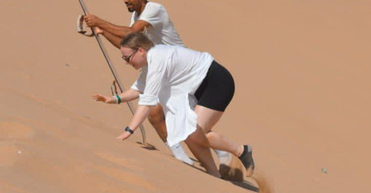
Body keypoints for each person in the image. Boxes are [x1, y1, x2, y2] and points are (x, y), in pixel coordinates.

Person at [92, 32, 254, 179]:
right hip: (198, 87)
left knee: (191, 132)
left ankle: (241, 151)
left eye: (128, 58)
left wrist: (129, 130)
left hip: (217, 82)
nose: (127, 62)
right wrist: (114, 99)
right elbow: (138, 88)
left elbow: (147, 101)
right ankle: (215, 175)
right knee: (188, 133)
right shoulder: (150, 63)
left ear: (141, 51)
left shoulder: (158, 58)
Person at [82, 0, 192, 165]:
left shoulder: (154, 9)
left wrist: (100, 21)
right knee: (156, 113)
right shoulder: (136, 15)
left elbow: (132, 32)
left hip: (179, 68)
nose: (125, 0)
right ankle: (181, 158)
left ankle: (227, 153)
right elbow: (128, 44)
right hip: (160, 68)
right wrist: (102, 31)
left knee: (190, 118)